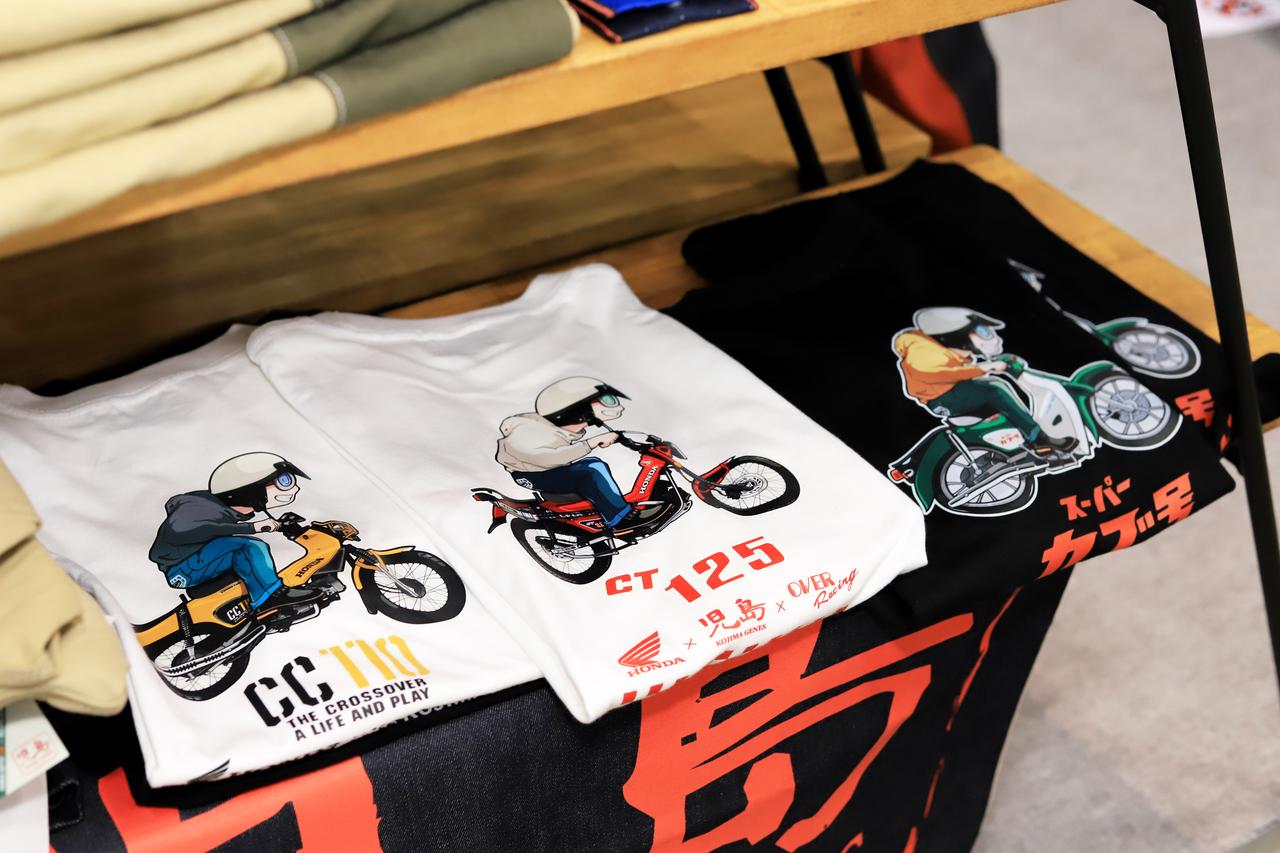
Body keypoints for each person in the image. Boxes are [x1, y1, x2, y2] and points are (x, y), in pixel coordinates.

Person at [894, 307, 1077, 455]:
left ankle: (1019, 439)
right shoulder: (923, 350)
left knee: (995, 388)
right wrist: (985, 367)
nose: (987, 337)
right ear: (957, 334)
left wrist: (990, 364)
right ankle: (1038, 439)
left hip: (948, 392)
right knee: (994, 391)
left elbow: (950, 368)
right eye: (981, 332)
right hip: (943, 399)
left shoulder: (936, 348)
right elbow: (935, 373)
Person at [149, 452, 316, 612]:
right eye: (282, 482)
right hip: (182, 569)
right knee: (249, 547)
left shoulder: (224, 509)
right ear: (250, 488)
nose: (294, 489)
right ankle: (270, 599)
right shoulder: (198, 506)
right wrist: (252, 527)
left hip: (199, 561)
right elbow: (180, 530)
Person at [495, 376, 648, 529]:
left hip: (548, 470)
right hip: (532, 475)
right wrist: (592, 442)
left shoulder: (554, 428)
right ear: (577, 408)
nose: (618, 407)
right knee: (592, 469)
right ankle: (620, 520)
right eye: (606, 400)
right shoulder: (527, 430)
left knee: (591, 464)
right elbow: (546, 458)